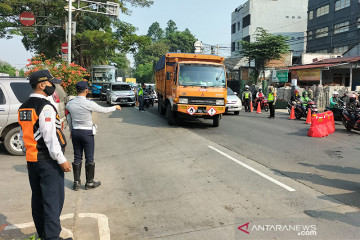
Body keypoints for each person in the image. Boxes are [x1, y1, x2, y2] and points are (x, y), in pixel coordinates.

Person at [18, 70, 72, 240]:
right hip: (48, 161)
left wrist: (27, 155)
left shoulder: (24, 106)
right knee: (52, 202)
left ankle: (44, 235)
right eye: (50, 83)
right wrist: (61, 160)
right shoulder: (45, 107)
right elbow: (50, 137)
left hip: (33, 161)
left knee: (38, 200)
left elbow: (22, 135)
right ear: (42, 85)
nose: (52, 86)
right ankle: (52, 238)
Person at [66, 81, 121, 191]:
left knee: (77, 157)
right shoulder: (88, 103)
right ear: (86, 90)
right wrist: (115, 107)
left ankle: (76, 183)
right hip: (87, 133)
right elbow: (104, 110)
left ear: (77, 90)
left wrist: (72, 131)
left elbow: (69, 119)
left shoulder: (70, 103)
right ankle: (89, 183)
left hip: (76, 132)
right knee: (89, 157)